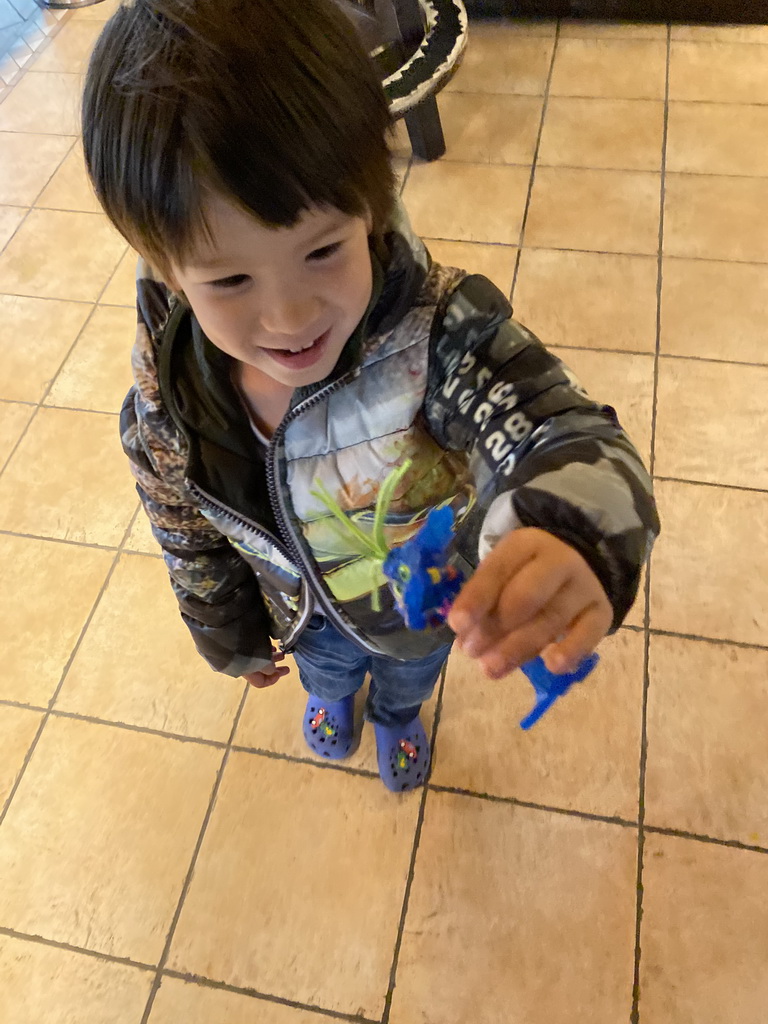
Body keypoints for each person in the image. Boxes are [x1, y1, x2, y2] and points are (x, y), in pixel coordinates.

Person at [81, 0, 659, 792]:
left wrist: (575, 523)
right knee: (325, 674)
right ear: (165, 265)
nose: (289, 317)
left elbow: (557, 430)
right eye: (230, 280)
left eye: (323, 250)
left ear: (373, 206)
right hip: (301, 619)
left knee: (407, 682)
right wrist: (229, 636)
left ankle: (397, 717)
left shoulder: (440, 333)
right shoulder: (165, 399)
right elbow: (180, 525)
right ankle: (334, 699)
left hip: (416, 617)